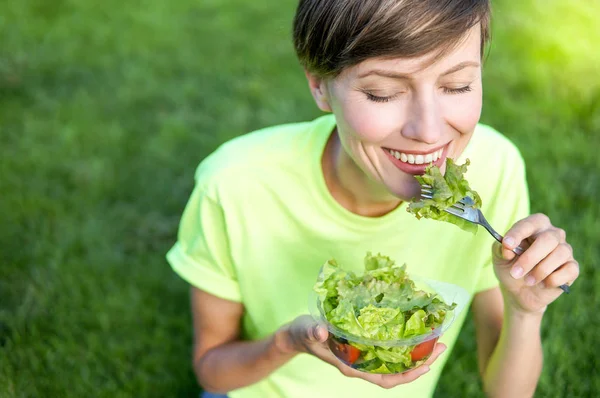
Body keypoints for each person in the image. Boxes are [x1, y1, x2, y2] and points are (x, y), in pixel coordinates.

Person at [166, 1, 580, 397]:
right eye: (382, 93)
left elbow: (506, 392)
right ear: (319, 86)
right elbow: (213, 369)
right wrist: (288, 343)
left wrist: (525, 310)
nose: (429, 131)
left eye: (457, 85)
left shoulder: (495, 168)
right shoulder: (235, 185)